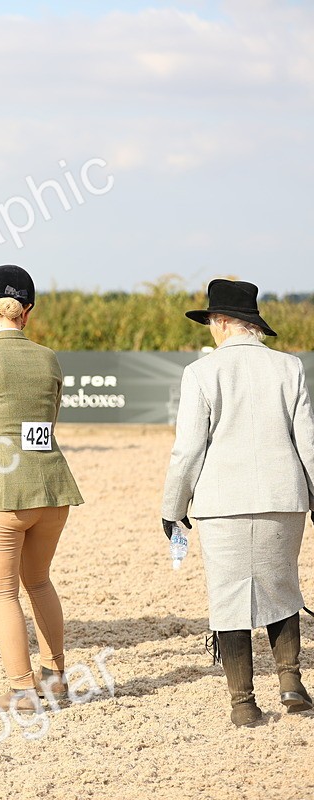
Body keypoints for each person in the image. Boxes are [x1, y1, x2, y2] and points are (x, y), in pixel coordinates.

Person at [161, 279, 313, 726]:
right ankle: (290, 681)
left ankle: (243, 702)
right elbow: (307, 441)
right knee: (282, 586)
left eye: (211, 322)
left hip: (223, 502)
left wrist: (173, 505)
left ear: (223, 322)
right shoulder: (290, 367)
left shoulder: (201, 373)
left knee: (229, 599)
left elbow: (188, 449)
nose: (210, 330)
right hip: (285, 497)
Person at [0, 264, 84, 711]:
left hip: (2, 494)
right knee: (39, 581)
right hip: (52, 487)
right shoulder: (48, 359)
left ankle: (22, 689)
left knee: (1, 592)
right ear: (27, 313)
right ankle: (56, 677)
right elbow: (48, 422)